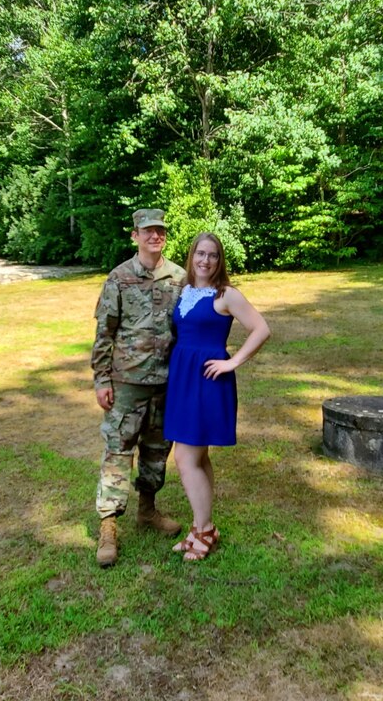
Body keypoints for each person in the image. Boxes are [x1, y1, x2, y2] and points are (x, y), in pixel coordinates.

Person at [164, 232, 271, 561]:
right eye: (200, 253)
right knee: (199, 456)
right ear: (192, 256)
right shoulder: (184, 290)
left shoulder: (226, 295)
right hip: (183, 377)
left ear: (219, 259)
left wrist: (233, 361)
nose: (205, 260)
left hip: (207, 380)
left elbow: (261, 328)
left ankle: (205, 529)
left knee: (185, 458)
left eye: (212, 255)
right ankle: (201, 528)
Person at [91, 208, 187, 567]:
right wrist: (102, 378)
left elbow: (187, 328)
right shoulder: (118, 278)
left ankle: (148, 511)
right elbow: (105, 333)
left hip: (165, 383)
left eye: (160, 231)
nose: (154, 236)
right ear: (135, 236)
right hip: (127, 384)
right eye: (147, 231)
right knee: (118, 453)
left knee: (156, 452)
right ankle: (108, 528)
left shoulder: (179, 278)